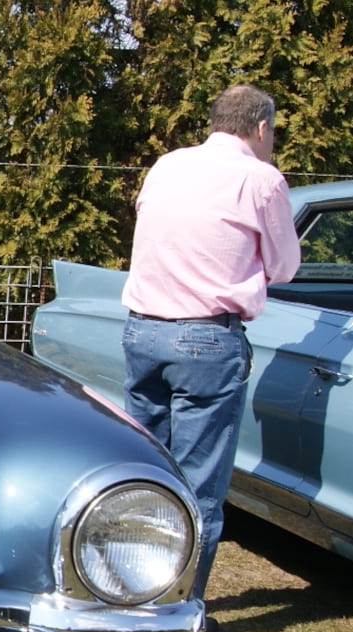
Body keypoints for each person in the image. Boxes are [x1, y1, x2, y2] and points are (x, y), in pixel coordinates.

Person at [120, 83, 301, 603]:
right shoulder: (260, 178)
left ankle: (122, 584)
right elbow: (286, 267)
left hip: (143, 328)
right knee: (197, 482)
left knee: (143, 468)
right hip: (206, 337)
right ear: (261, 128)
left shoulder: (168, 165)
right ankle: (177, 602)